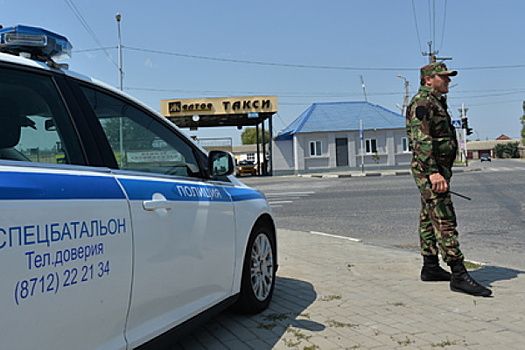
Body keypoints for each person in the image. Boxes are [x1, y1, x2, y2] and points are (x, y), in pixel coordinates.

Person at [405, 62, 492, 297]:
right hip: (430, 170)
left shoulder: (436, 102)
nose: (449, 80)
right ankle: (459, 274)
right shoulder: (422, 104)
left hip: (438, 169)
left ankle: (430, 266)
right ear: (428, 80)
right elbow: (422, 140)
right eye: (444, 77)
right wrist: (433, 172)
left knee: (428, 216)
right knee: (444, 218)